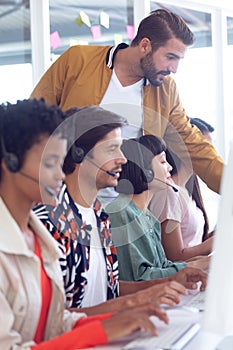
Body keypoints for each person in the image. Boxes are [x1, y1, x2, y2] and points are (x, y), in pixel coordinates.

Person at [0, 99, 172, 349]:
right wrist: (103, 329)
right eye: (50, 163)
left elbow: (57, 322)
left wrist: (124, 316)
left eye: (59, 163)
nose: (60, 174)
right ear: (11, 163)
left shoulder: (40, 236)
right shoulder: (47, 224)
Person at [30, 8, 223, 198]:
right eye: (170, 57)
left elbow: (192, 144)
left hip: (126, 212)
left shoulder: (166, 90)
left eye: (178, 59)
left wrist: (228, 183)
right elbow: (34, 116)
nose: (174, 68)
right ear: (145, 45)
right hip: (64, 198)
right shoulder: (77, 60)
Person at [34, 106, 207, 316]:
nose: (123, 159)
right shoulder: (50, 223)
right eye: (111, 149)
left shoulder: (101, 216)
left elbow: (111, 287)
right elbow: (52, 318)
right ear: (79, 154)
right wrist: (133, 302)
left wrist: (170, 281)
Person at [106, 135, 210, 282]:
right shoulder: (122, 212)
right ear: (144, 169)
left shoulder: (147, 217)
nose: (170, 167)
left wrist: (199, 264)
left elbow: (162, 267)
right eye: (162, 161)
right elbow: (140, 277)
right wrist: (198, 264)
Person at [149, 147, 214, 262]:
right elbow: (175, 256)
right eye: (206, 149)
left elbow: (195, 242)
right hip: (183, 277)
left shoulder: (187, 189)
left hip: (197, 274)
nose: (211, 156)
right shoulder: (169, 191)